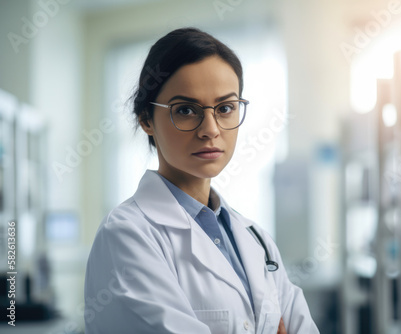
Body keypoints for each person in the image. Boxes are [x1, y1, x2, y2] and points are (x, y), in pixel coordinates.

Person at [84, 27, 319, 334]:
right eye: (185, 110)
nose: (210, 129)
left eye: (224, 108)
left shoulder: (255, 238)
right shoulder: (127, 235)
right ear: (146, 119)